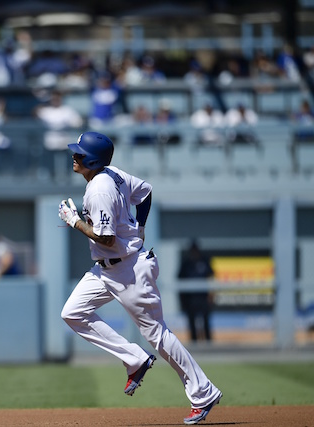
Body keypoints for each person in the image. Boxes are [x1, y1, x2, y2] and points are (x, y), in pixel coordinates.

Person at [58, 132, 222, 425]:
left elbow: (106, 239)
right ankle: (135, 359)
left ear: (93, 160)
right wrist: (141, 225)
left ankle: (203, 392)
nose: (74, 156)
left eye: (80, 153)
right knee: (72, 313)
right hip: (108, 269)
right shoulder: (111, 173)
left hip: (128, 270)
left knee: (157, 334)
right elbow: (144, 192)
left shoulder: (99, 190)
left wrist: (75, 222)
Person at [178, 240, 215, 343]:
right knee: (192, 323)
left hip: (203, 297)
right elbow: (180, 281)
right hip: (190, 299)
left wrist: (211, 295)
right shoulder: (186, 264)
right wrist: (182, 300)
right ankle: (194, 345)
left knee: (206, 322)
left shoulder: (204, 261)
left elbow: (210, 277)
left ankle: (209, 344)